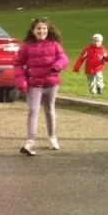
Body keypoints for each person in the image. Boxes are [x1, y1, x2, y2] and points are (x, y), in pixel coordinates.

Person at [13, 17, 70, 156]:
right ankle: (30, 142)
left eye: (44, 28)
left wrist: (57, 66)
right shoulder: (26, 46)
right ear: (33, 31)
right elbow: (18, 64)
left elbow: (64, 58)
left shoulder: (54, 44)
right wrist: (21, 80)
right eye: (38, 28)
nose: (41, 31)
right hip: (34, 84)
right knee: (33, 111)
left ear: (48, 30)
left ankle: (52, 137)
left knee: (50, 109)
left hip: (51, 83)